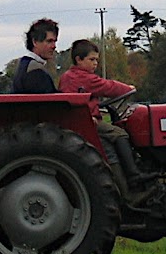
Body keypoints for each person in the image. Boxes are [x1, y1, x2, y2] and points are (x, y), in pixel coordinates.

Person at [59, 39, 150, 185]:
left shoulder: (66, 77)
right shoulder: (84, 78)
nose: (95, 63)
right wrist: (128, 88)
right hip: (89, 121)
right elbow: (109, 87)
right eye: (92, 59)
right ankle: (134, 174)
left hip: (80, 119)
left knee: (112, 141)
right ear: (78, 60)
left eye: (97, 60)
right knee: (120, 134)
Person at [11, 18, 59, 93]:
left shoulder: (24, 65)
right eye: (49, 41)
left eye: (54, 41)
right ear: (35, 42)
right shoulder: (35, 70)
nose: (54, 46)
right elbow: (48, 101)